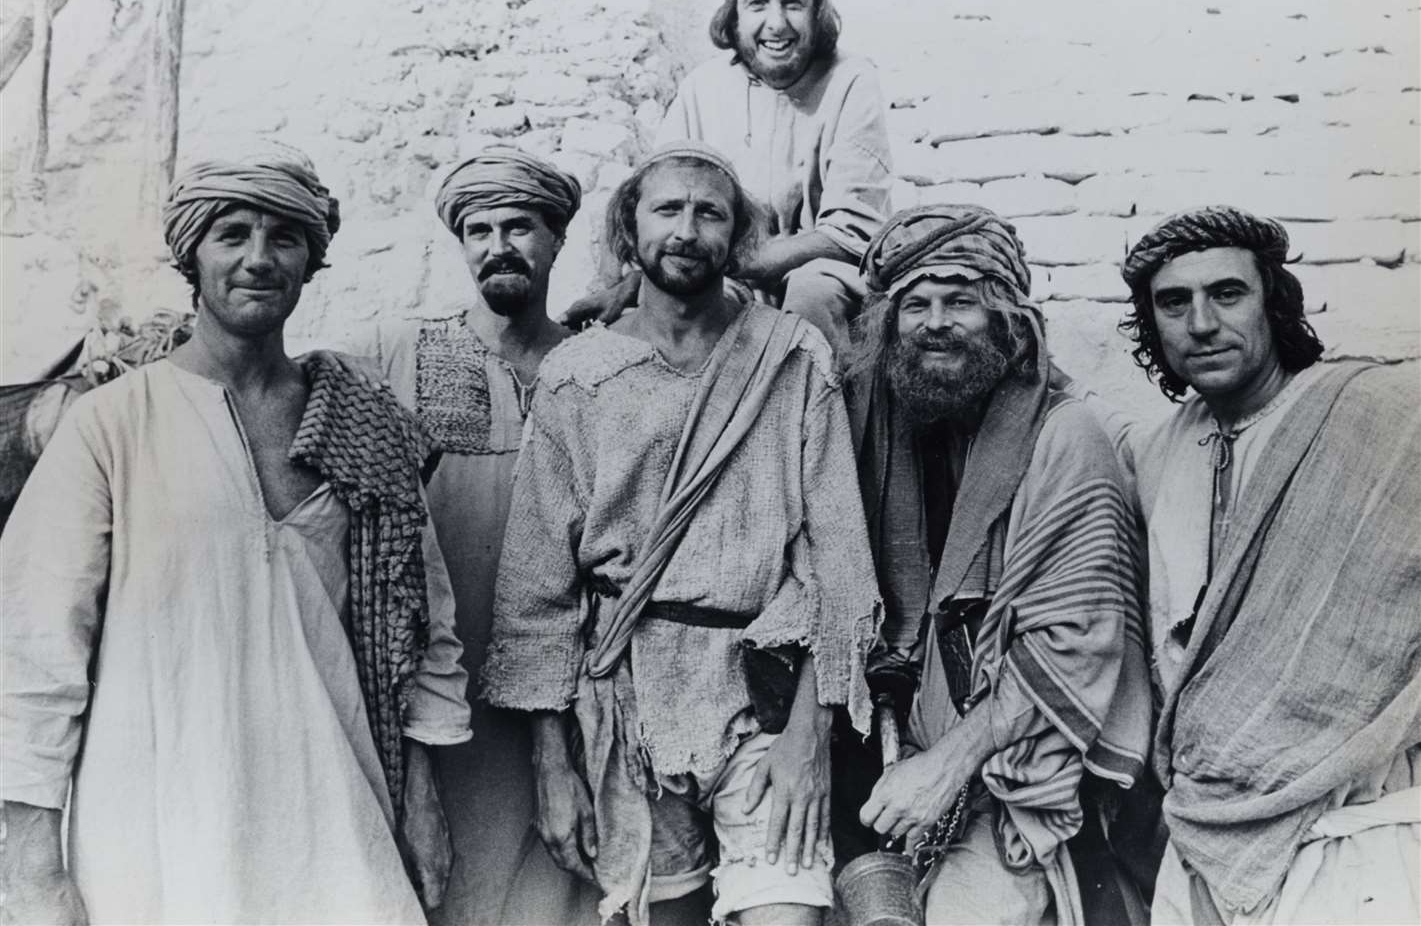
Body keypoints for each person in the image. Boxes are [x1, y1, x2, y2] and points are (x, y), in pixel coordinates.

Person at [0, 145, 471, 925]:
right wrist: (32, 859)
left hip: (333, 811)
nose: (259, 259)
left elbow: (422, 630)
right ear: (192, 254)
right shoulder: (113, 423)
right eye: (233, 234)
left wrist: (420, 799)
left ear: (310, 258)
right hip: (154, 828)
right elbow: (35, 651)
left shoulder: (363, 422)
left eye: (284, 236)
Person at [481, 142, 882, 926]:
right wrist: (552, 760)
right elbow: (535, 584)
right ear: (630, 231)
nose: (687, 230)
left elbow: (840, 557)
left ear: (735, 237)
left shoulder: (788, 355)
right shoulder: (579, 372)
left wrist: (812, 729)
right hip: (627, 695)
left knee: (786, 912)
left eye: (709, 213)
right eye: (667, 209)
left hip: (761, 687)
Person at [848, 206, 1152, 925]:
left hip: (1027, 769)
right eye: (913, 305)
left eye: (960, 302)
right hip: (928, 768)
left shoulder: (1064, 434)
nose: (934, 322)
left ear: (1008, 322)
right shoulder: (905, 438)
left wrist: (945, 765)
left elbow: (1077, 641)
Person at [1121, 207, 1420, 925]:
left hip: (1362, 819)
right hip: (1203, 827)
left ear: (1273, 302)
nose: (1199, 323)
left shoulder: (1377, 415)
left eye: (1226, 294)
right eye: (1173, 302)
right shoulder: (1154, 455)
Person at [346, 146, 597, 926]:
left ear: (557, 240)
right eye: (478, 229)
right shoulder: (397, 353)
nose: (498, 246)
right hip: (448, 695)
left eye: (519, 226)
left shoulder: (603, 368)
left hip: (575, 690)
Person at [567, 0, 892, 353]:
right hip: (724, 274)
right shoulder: (704, 87)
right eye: (757, 3)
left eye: (793, 2)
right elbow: (657, 196)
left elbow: (851, 232)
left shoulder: (851, 79)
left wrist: (731, 260)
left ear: (816, 12)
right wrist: (633, 281)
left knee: (810, 294)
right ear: (734, 15)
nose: (776, 23)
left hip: (824, 277)